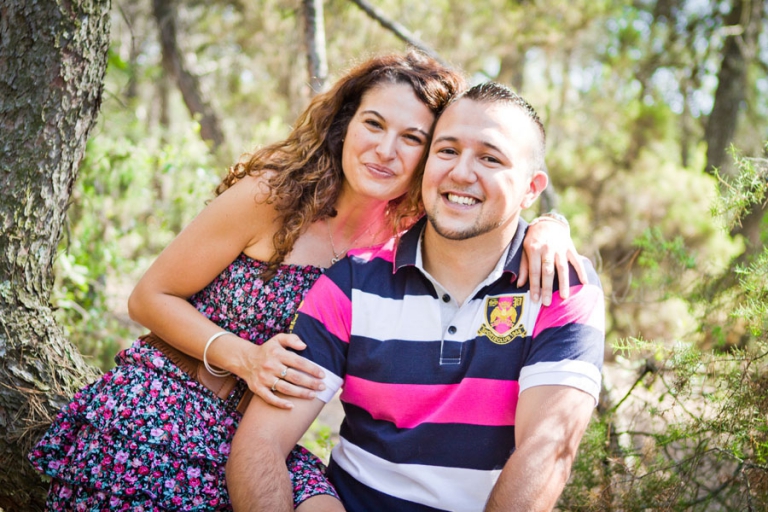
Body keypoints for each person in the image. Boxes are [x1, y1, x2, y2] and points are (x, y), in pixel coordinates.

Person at [28, 52, 582, 511]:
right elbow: (148, 297)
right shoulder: (270, 199)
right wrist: (243, 357)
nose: (385, 150)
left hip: (262, 434)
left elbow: (486, 211)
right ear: (346, 124)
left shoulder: (409, 229)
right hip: (168, 405)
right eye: (373, 124)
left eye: (412, 138)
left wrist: (548, 228)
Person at [227, 82, 605, 512]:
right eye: (446, 151)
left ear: (531, 188)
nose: (462, 172)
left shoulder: (562, 286)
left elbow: (546, 451)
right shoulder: (352, 282)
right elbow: (261, 443)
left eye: (489, 157)